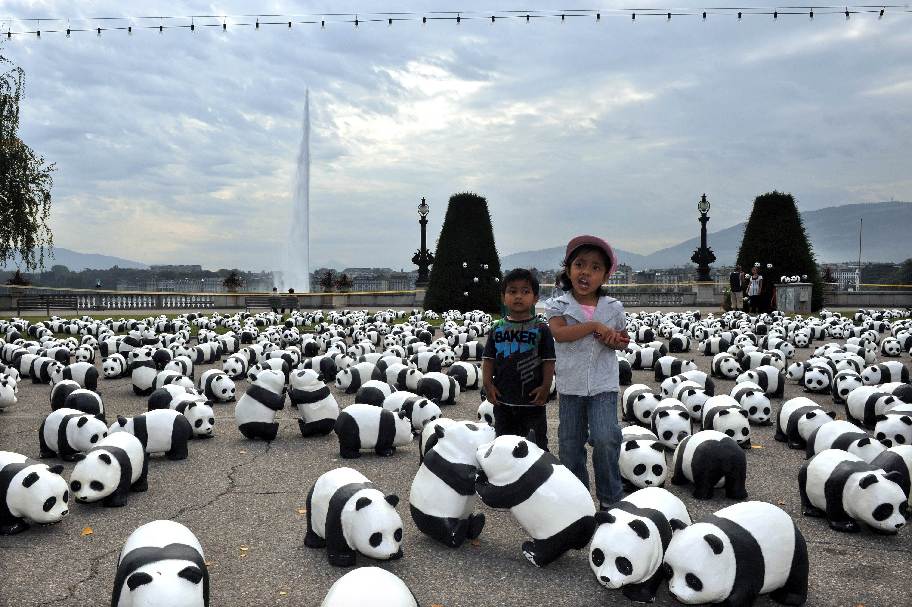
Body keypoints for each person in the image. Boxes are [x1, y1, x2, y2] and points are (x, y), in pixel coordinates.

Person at [544, 235, 630, 510]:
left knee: (606, 438)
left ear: (605, 276)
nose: (586, 272)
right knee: (570, 445)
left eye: (595, 268)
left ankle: (611, 499)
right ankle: (577, 502)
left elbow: (622, 337)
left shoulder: (613, 307)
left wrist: (617, 339)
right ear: (568, 269)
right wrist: (594, 326)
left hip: (604, 384)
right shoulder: (558, 304)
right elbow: (559, 333)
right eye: (580, 264)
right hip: (571, 386)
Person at [482, 269, 556, 451]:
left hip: (532, 402)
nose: (518, 296)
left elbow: (548, 361)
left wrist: (546, 387)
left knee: (536, 445)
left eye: (525, 291)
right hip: (503, 400)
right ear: (503, 297)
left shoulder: (541, 329)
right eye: (512, 291)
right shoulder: (497, 328)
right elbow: (488, 360)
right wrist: (487, 384)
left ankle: (538, 478)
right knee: (503, 445)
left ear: (535, 298)